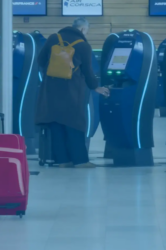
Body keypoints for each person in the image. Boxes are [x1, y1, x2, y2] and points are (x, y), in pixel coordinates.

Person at [35, 18, 110, 168]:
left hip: (50, 89)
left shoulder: (53, 38)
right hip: (72, 91)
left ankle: (62, 160)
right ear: (82, 30)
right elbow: (88, 72)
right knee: (75, 124)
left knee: (56, 123)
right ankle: (81, 161)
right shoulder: (83, 45)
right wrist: (97, 87)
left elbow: (41, 60)